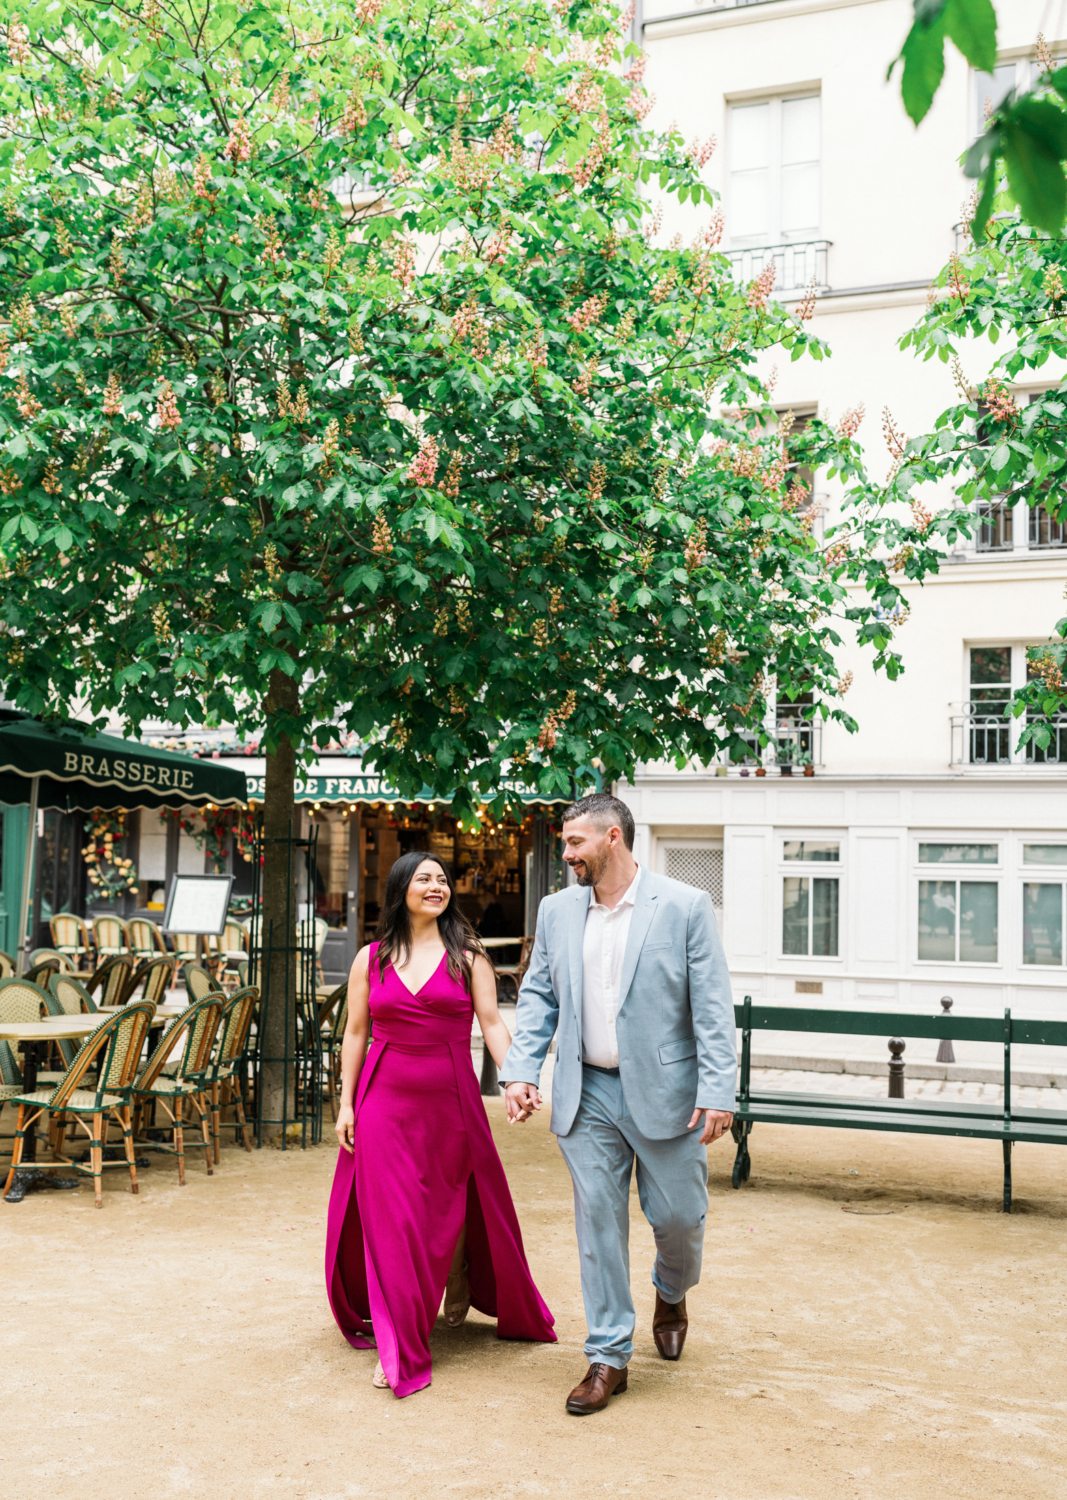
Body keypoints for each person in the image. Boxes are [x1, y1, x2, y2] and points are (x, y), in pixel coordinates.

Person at [502, 793, 736, 1415]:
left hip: (670, 1094)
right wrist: (521, 1071)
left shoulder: (684, 907)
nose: (567, 853)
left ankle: (670, 1290)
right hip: (588, 1092)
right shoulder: (556, 912)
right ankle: (608, 1355)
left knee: (680, 1219)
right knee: (597, 1224)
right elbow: (538, 999)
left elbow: (712, 1007)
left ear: (612, 837)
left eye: (576, 842)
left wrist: (718, 1089)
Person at [326, 851, 556, 1398]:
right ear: (400, 887)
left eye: (442, 880)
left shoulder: (468, 955)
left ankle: (459, 1282)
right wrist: (346, 1102)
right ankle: (401, 1345)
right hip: (381, 1100)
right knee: (394, 1220)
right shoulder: (370, 958)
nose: (436, 887)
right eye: (424, 879)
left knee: (441, 1212)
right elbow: (355, 1033)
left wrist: (517, 1077)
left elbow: (494, 1023)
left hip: (451, 1104)